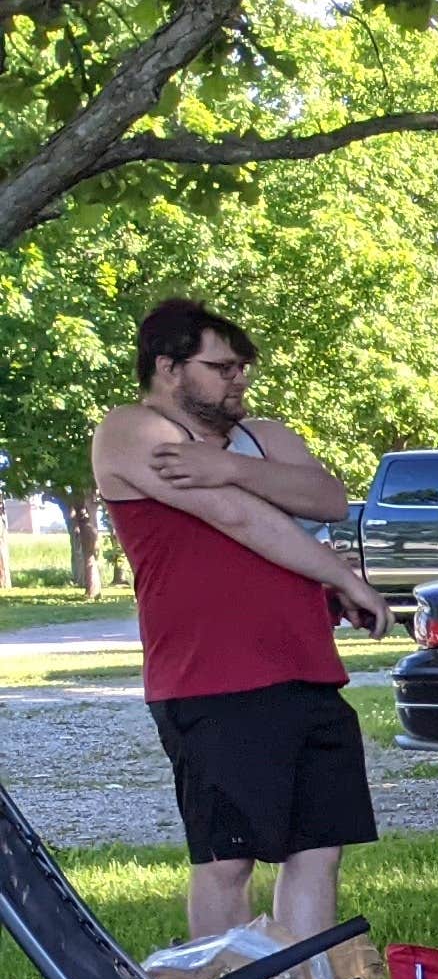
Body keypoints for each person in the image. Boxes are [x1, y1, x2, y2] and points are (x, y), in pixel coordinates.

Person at [92, 299, 394, 943]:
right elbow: (235, 516)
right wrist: (341, 576)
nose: (239, 379)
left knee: (317, 851)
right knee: (228, 859)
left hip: (306, 665)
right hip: (211, 678)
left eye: (243, 367)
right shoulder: (130, 430)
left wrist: (229, 463)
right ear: (169, 367)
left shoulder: (264, 438)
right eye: (221, 367)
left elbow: (330, 497)